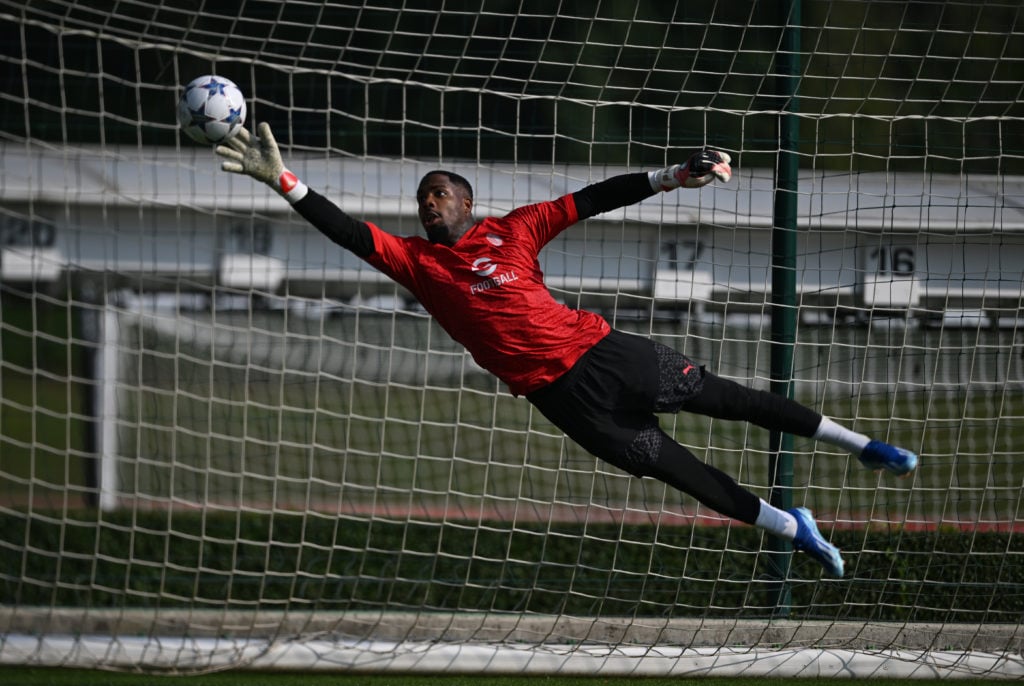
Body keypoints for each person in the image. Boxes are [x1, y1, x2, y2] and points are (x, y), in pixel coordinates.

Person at [216, 123, 919, 579]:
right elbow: (344, 230)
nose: (428, 204)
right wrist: (285, 182)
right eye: (422, 197)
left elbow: (595, 197)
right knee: (685, 475)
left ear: (466, 202)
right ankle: (791, 528)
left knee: (728, 399)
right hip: (563, 400)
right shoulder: (414, 264)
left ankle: (857, 442)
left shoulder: (515, 229)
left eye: (439, 194)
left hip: (606, 352)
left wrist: (675, 174)